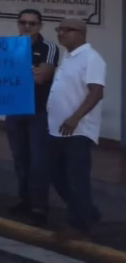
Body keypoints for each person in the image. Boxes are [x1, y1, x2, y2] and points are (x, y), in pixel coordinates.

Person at [48, 17, 105, 240]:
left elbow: (96, 92)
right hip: (57, 129)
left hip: (77, 131)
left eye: (67, 30)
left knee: (76, 178)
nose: (61, 33)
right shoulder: (68, 56)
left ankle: (79, 225)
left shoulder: (91, 58)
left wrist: (75, 118)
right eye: (59, 29)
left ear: (81, 33)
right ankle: (87, 212)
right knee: (56, 175)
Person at [6, 8, 59, 225]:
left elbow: (42, 77)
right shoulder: (9, 46)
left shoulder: (49, 48)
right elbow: (0, 73)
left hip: (39, 111)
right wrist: (29, 70)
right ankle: (25, 200)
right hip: (14, 109)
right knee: (20, 160)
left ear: (40, 26)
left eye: (32, 23)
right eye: (23, 23)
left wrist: (15, 71)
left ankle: (39, 206)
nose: (27, 27)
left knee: (38, 161)